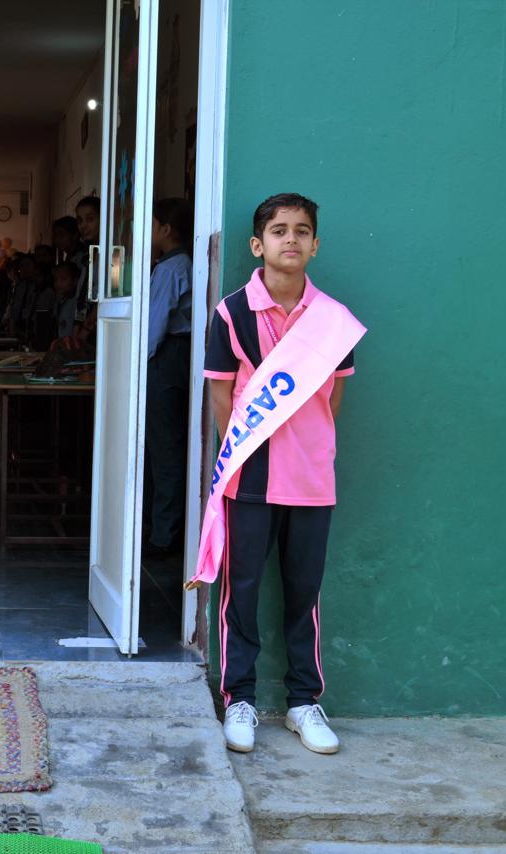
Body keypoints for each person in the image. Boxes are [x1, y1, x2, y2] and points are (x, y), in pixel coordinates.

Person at [200, 193, 358, 756]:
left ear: (315, 244)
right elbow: (222, 396)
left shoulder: (332, 319)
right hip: (251, 476)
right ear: (257, 244)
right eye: (279, 230)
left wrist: (306, 445)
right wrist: (247, 451)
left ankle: (303, 702)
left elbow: (333, 397)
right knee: (240, 592)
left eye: (302, 231)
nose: (290, 238)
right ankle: (238, 699)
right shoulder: (232, 313)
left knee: (303, 593)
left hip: (312, 480)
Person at [143, 198, 194, 558]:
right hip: (177, 354)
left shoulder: (170, 269)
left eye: (152, 224)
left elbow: (154, 326)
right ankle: (163, 527)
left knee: (164, 447)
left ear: (166, 229)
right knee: (168, 443)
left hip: (167, 355)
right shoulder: (182, 263)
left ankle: (164, 535)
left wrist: (136, 365)